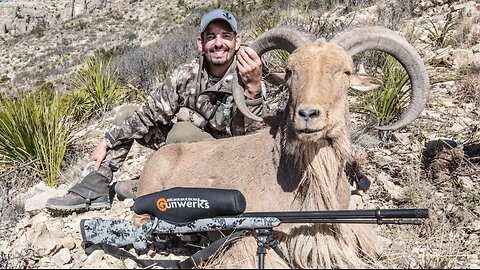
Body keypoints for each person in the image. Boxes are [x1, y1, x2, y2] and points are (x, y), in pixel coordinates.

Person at [46, 8, 265, 212]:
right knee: (128, 115)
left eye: (225, 36)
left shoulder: (249, 74)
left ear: (237, 41)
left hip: (224, 163)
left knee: (182, 133)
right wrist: (107, 140)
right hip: (184, 152)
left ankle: (153, 187)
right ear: (200, 43)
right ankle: (95, 187)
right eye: (211, 37)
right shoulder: (186, 74)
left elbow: (253, 140)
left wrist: (253, 89)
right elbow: (147, 113)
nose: (218, 43)